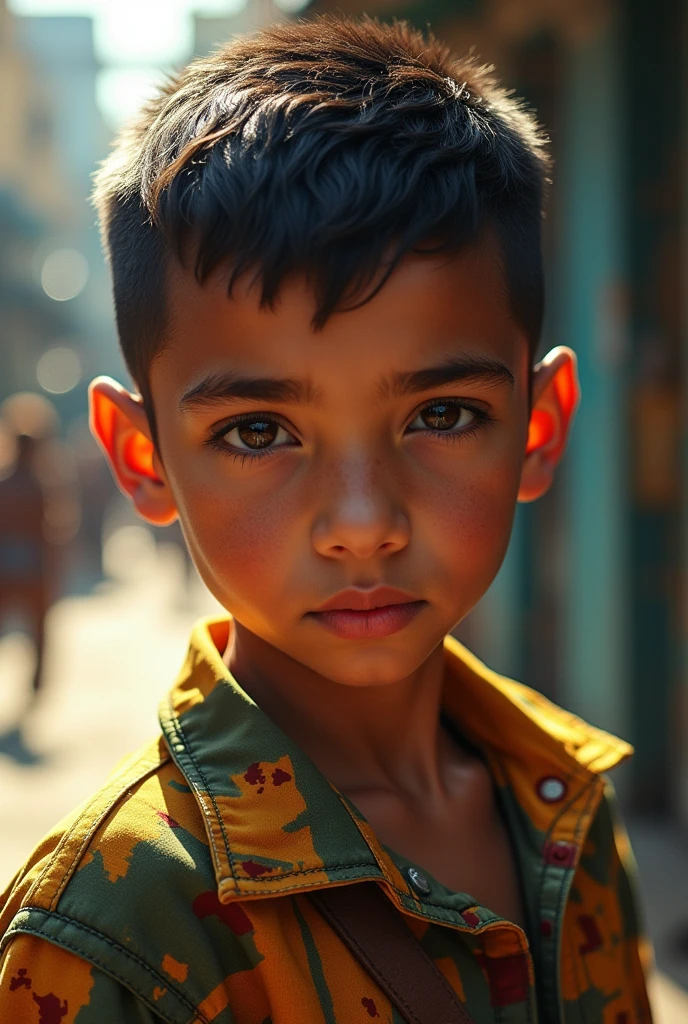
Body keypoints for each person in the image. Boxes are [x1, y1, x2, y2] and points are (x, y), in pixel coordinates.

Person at [0, 15, 653, 1023]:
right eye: (259, 431)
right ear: (141, 456)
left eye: (441, 416)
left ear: (538, 426)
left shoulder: (567, 803)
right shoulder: (114, 932)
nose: (361, 524)